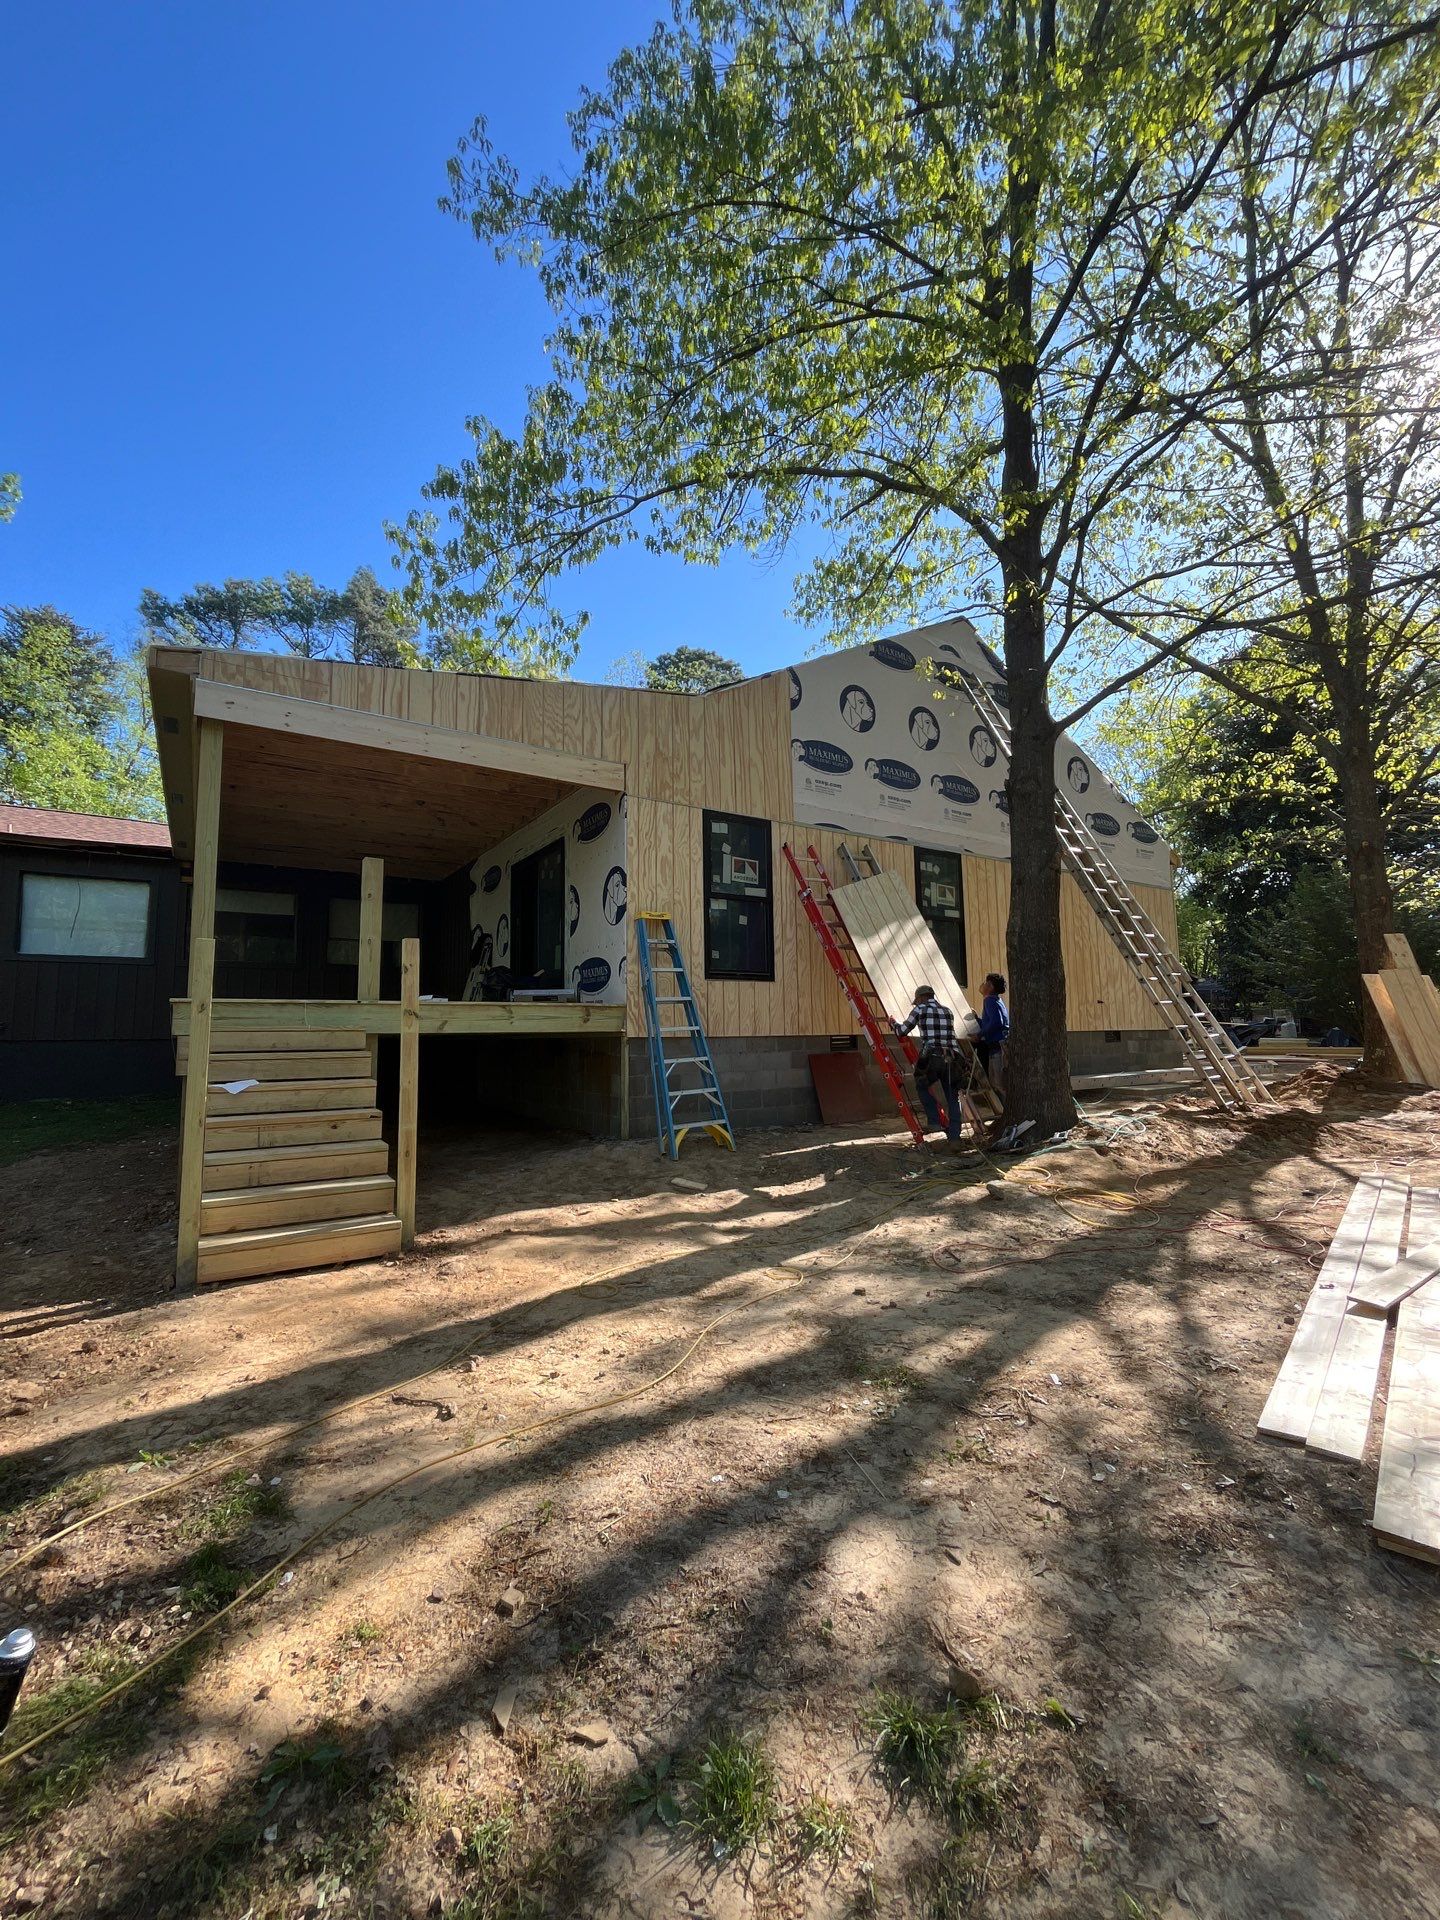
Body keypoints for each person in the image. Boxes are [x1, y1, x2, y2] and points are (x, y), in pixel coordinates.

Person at [894, 984, 963, 1143]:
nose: (916, 1003)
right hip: (952, 1057)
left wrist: (894, 1023)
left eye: (917, 1001)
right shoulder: (948, 1011)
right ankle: (955, 1139)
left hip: (932, 1056)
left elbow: (901, 1031)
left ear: (921, 998)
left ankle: (934, 1121)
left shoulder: (920, 1009)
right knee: (953, 1097)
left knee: (921, 1085)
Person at [977, 972, 1009, 1091]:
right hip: (1002, 1043)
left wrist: (979, 1035)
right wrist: (977, 1020)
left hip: (996, 1045)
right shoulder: (997, 1000)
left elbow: (996, 1022)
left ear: (990, 986)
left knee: (997, 1083)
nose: (982, 985)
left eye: (985, 983)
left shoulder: (989, 1000)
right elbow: (991, 1021)